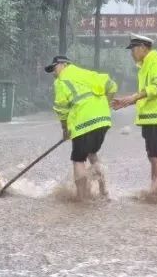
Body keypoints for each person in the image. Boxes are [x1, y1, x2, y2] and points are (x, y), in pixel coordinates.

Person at [112, 35, 157, 194]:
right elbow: (147, 93)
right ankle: (155, 190)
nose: (131, 53)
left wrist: (133, 97)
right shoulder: (146, 65)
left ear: (143, 47)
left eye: (133, 49)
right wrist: (128, 101)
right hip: (150, 117)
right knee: (152, 156)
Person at [45, 55, 117, 200]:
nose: (53, 72)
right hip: (103, 121)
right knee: (92, 154)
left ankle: (82, 198)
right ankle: (104, 192)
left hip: (83, 122)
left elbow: (61, 108)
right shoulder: (87, 73)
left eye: (54, 67)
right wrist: (105, 105)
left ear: (64, 65)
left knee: (78, 159)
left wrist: (65, 129)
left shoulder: (61, 81)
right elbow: (112, 86)